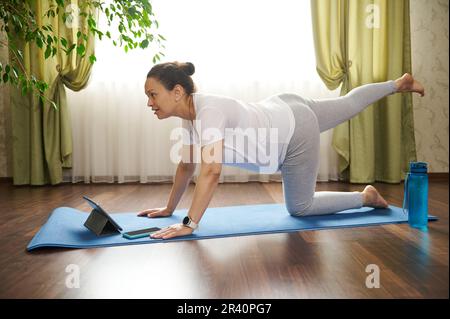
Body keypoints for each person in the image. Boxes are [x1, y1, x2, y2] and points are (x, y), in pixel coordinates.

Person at [138, 61, 425, 240]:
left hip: (292, 134)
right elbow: (187, 166)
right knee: (347, 105)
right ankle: (398, 84)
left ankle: (365, 197)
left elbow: (211, 171)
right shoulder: (193, 115)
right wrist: (169, 209)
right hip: (286, 107)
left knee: (300, 208)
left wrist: (189, 223)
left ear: (177, 92)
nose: (150, 103)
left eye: (153, 95)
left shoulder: (207, 111)